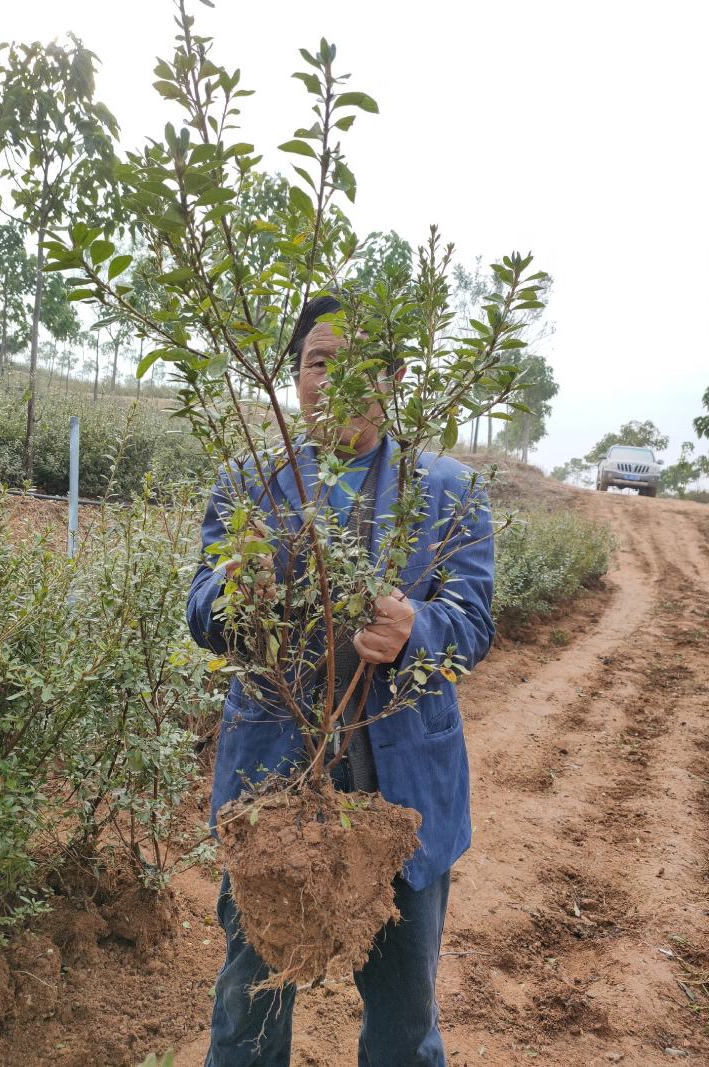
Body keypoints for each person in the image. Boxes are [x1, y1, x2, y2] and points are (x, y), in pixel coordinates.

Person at [187, 296, 496, 1067]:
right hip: (272, 789)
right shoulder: (250, 482)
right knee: (248, 1010)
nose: (331, 380)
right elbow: (200, 603)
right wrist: (236, 604)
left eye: (351, 363)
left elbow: (474, 618)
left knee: (402, 1021)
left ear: (392, 377)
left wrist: (416, 629)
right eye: (315, 362)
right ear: (293, 378)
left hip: (402, 797)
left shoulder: (445, 488)